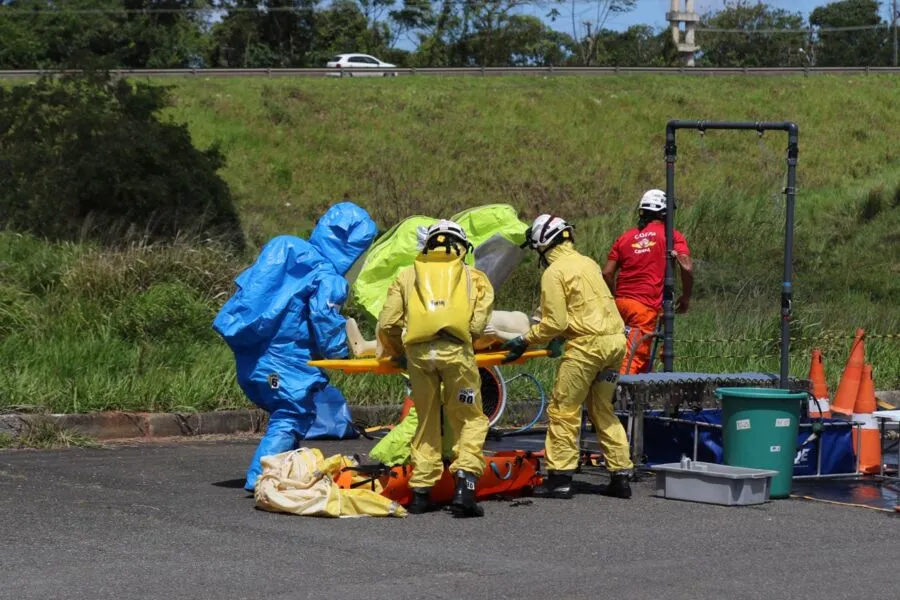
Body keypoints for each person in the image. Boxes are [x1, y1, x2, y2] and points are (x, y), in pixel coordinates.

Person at [213, 202, 378, 492]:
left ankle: (287, 467)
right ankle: (262, 479)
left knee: (287, 411)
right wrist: (340, 352)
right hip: (283, 366)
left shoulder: (290, 249)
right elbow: (324, 317)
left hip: (254, 359)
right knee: (292, 412)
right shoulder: (329, 278)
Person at [502, 214, 634, 499]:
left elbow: (554, 323)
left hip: (586, 348)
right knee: (603, 409)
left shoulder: (554, 273)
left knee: (564, 409)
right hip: (615, 343)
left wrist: (526, 340)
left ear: (542, 245)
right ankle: (621, 475)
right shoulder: (588, 263)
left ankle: (560, 478)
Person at [376, 220, 494, 517]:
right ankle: (465, 488)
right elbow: (478, 325)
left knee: (426, 419)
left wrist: (398, 352)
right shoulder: (474, 277)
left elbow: (388, 322)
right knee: (469, 419)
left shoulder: (407, 275)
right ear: (461, 247)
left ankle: (420, 493)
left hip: (418, 356)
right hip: (456, 354)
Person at [602, 189, 693, 375]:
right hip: (644, 307)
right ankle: (618, 398)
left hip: (620, 305)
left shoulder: (625, 238)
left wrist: (613, 298)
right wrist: (686, 296)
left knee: (616, 352)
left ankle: (632, 396)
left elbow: (607, 273)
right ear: (664, 213)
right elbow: (687, 267)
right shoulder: (671, 236)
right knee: (635, 356)